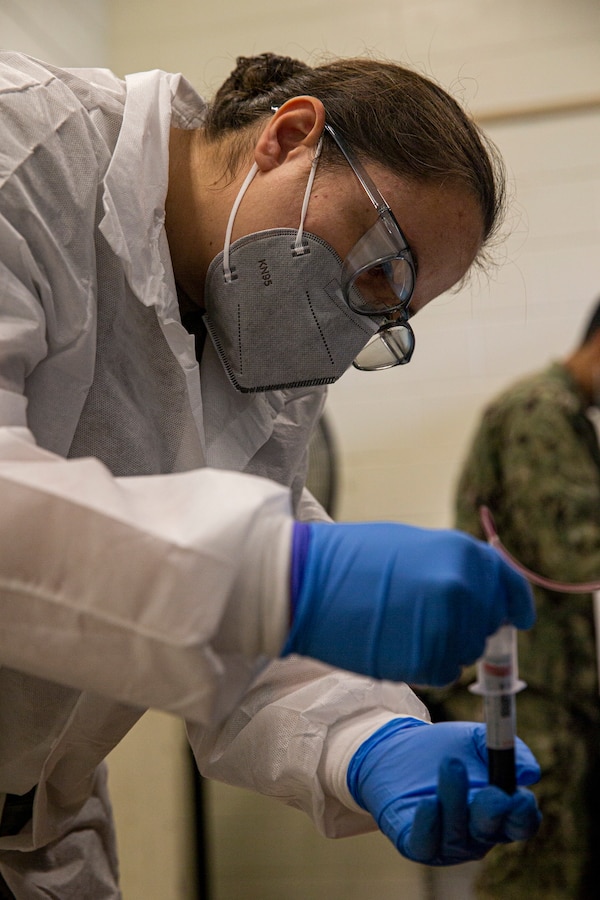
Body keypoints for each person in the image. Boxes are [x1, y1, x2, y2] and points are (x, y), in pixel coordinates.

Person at [0, 50, 541, 897]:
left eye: (390, 314)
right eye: (377, 268)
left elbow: (237, 630)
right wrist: (290, 581)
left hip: (38, 835)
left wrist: (371, 743)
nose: (352, 326)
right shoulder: (25, 150)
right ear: (289, 137)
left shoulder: (267, 353)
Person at [424, 297, 600, 899]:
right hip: (523, 689)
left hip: (547, 684)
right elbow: (576, 551)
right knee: (534, 874)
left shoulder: (564, 414)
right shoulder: (540, 412)